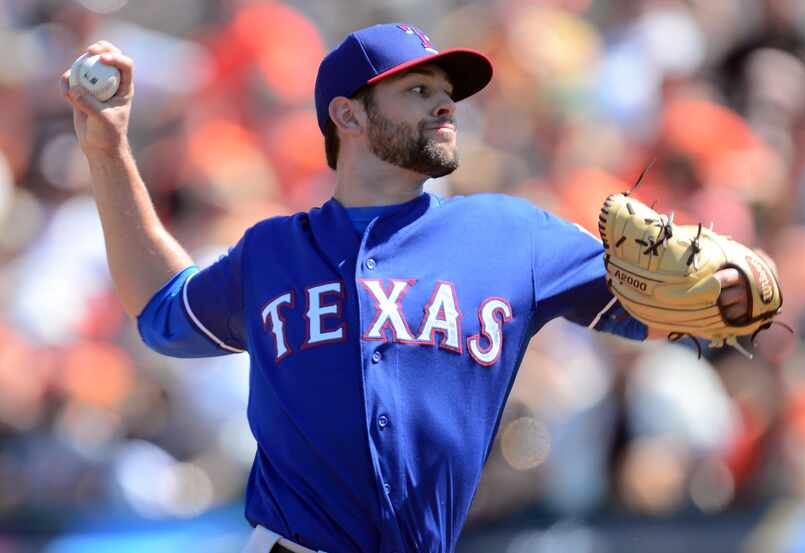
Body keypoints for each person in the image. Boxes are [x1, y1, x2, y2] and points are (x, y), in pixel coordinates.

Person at [61, 22, 751, 553]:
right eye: (418, 91)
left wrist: (732, 291)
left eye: (447, 94)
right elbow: (162, 310)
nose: (444, 106)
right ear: (349, 117)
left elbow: (665, 305)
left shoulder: (513, 236)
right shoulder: (273, 251)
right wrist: (107, 150)